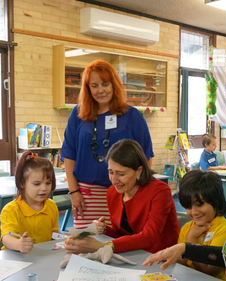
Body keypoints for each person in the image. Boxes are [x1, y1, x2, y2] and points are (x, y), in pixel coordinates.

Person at [61, 59, 154, 228]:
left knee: (121, 246)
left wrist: (138, 193)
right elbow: (69, 154)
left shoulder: (132, 116)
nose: (100, 90)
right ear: (88, 88)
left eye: (105, 84)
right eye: (94, 85)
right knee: (84, 246)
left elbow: (146, 156)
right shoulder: (78, 114)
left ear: (114, 85)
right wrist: (74, 192)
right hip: (87, 196)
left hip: (125, 194)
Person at [64, 139, 179, 254]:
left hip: (162, 256)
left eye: (121, 174)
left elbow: (149, 237)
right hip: (135, 254)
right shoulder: (112, 192)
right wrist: (104, 230)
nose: (114, 180)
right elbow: (123, 234)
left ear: (139, 171)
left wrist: (102, 246)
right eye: (111, 172)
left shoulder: (160, 191)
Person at [177, 170, 226, 280]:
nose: (194, 212)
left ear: (215, 201)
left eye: (199, 205)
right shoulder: (188, 227)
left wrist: (191, 240)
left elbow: (208, 273)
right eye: (188, 207)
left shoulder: (225, 230)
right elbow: (180, 264)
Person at [1, 151, 59, 253]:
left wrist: (63, 237)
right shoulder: (11, 210)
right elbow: (6, 238)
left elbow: (53, 233)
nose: (44, 188)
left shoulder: (51, 206)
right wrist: (18, 244)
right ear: (22, 183)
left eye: (48, 183)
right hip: (15, 259)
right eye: (37, 184)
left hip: (41, 257)